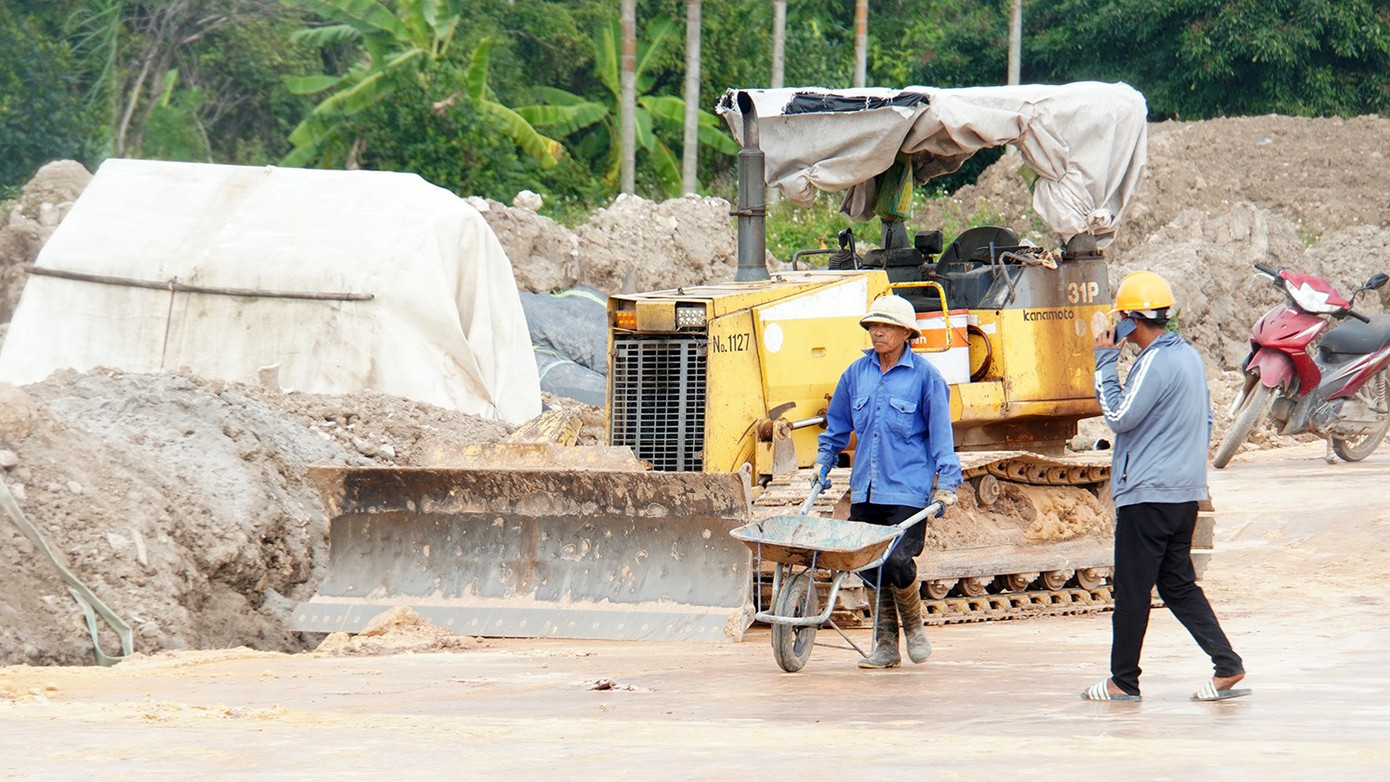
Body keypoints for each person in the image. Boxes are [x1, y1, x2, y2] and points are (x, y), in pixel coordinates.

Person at [1083, 270, 1249, 702]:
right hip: (1182, 494)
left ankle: (1123, 680)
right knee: (1176, 584)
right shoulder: (1189, 358)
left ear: (1131, 320)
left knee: (1132, 590)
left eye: (1120, 318)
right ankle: (1227, 666)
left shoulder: (1155, 361)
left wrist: (1103, 359)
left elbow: (1119, 417)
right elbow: (1206, 421)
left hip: (1149, 496)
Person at [815, 294, 962, 670]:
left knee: (897, 558)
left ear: (905, 333)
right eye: (872, 326)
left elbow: (942, 436)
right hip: (866, 487)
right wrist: (823, 463)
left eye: (885, 327)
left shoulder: (926, 378)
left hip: (908, 489)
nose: (876, 332)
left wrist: (948, 481)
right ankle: (885, 644)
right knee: (866, 562)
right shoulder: (855, 374)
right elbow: (836, 428)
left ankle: (913, 627)